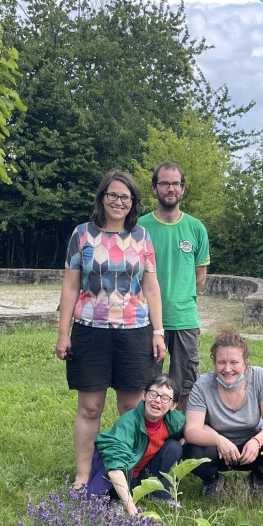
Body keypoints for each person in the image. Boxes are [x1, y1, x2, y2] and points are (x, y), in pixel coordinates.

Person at [56, 170, 168, 488]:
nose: (118, 202)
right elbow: (69, 288)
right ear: (102, 198)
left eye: (125, 197)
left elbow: (152, 288)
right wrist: (63, 333)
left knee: (131, 407)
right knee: (90, 407)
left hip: (135, 332)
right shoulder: (81, 235)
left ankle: (125, 471)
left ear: (133, 202)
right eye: (112, 195)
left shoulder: (142, 238)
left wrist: (158, 332)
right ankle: (82, 474)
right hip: (90, 331)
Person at [183, 329, 263, 495]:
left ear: (245, 362)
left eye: (234, 362)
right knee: (191, 452)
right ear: (214, 362)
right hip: (218, 451)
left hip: (253, 448)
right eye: (221, 362)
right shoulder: (202, 386)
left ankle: (257, 479)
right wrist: (218, 440)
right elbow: (191, 430)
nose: (227, 368)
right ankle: (213, 480)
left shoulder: (260, 377)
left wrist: (256, 441)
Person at [138, 162, 210, 405]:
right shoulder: (140, 228)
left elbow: (200, 276)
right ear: (154, 188)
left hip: (184, 319)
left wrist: (181, 298)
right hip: (146, 320)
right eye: (164, 183)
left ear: (183, 189)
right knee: (146, 385)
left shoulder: (196, 227)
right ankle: (148, 438)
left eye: (175, 183)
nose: (170, 188)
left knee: (186, 386)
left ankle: (182, 438)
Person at [88, 374, 186, 516]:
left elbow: (192, 429)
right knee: (124, 463)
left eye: (165, 398)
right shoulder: (129, 423)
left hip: (142, 474)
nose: (157, 401)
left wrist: (186, 440)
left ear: (173, 405)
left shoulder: (172, 420)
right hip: (121, 477)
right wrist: (130, 507)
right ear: (144, 395)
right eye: (153, 394)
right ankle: (115, 498)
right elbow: (115, 468)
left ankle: (159, 493)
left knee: (174, 447)